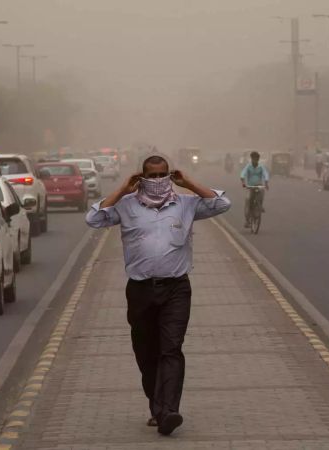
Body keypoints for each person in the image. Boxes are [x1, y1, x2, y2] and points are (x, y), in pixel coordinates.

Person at [85, 155, 230, 436]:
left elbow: (222, 203)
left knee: (171, 349)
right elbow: (93, 218)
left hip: (176, 289)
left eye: (162, 174)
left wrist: (187, 183)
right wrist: (121, 190)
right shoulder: (126, 207)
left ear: (170, 174)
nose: (156, 180)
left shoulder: (186, 205)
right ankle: (156, 404)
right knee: (146, 352)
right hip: (140, 290)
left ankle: (169, 411)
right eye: (150, 176)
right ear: (141, 177)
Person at [239, 151, 270, 228]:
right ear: (251, 159)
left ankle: (260, 205)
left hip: (259, 185)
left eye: (256, 159)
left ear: (258, 159)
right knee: (248, 200)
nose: (255, 161)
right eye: (253, 159)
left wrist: (266, 183)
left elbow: (266, 174)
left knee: (262, 192)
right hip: (250, 186)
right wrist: (243, 182)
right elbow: (243, 174)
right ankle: (247, 220)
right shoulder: (248, 166)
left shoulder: (261, 167)